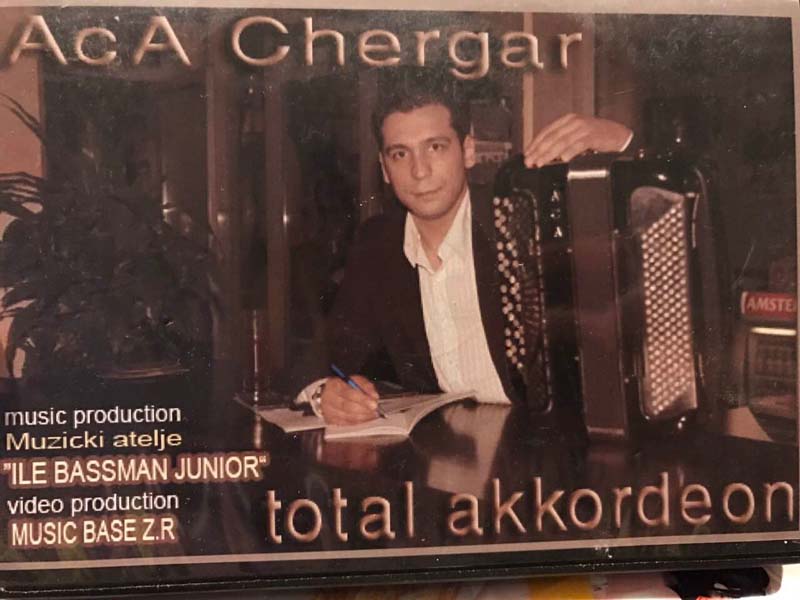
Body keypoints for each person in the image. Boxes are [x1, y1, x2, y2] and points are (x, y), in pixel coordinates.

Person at [299, 68, 633, 425]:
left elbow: (638, 236)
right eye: (400, 154)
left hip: (549, 440)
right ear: (384, 168)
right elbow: (322, 358)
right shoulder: (378, 245)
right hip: (445, 446)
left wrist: (625, 143)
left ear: (468, 151)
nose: (420, 171)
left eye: (435, 147)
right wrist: (324, 393)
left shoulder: (522, 216)